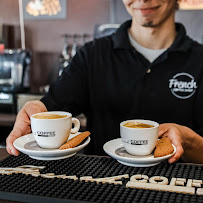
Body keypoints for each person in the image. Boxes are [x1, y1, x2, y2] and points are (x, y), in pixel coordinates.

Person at [6, 0, 203, 164]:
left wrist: (187, 140)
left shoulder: (200, 60)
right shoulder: (92, 55)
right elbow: (52, 106)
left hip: (175, 187)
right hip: (100, 185)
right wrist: (35, 108)